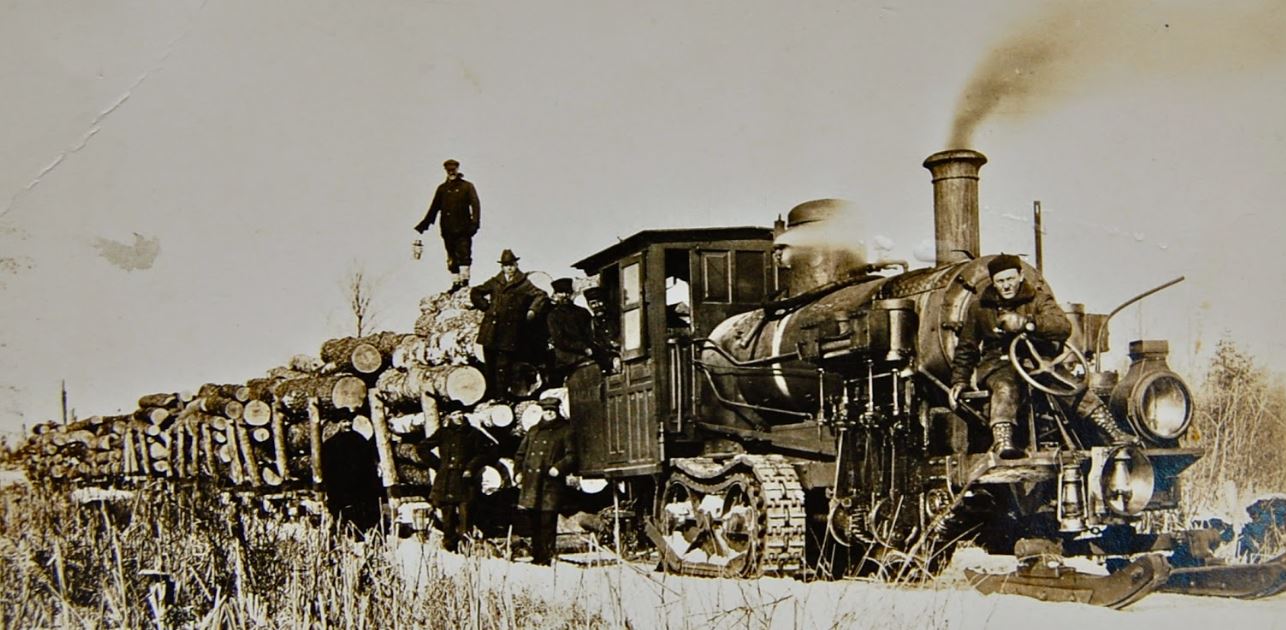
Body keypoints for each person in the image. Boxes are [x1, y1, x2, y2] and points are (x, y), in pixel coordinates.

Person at [949, 254, 1132, 459]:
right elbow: (967, 347)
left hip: (1040, 361)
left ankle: (1113, 432)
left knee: (1071, 386)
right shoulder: (980, 307)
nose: (1006, 286)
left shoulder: (1039, 299)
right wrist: (960, 380)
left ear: (1020, 276)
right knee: (1005, 387)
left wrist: (1027, 323)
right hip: (999, 364)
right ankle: (1003, 442)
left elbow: (1062, 326)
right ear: (993, 282)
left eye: (1010, 279)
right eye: (1000, 281)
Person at [469, 250, 549, 399]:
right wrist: (485, 306)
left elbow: (541, 295)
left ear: (516, 265)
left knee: (503, 366)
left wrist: (532, 310)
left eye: (511, 265)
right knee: (490, 365)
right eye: (506, 266)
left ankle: (501, 397)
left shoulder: (523, 283)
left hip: (509, 331)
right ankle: (490, 396)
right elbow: (476, 292)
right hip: (491, 329)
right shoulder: (495, 282)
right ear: (502, 267)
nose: (509, 268)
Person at [419, 404, 494, 552]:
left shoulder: (473, 433)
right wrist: (439, 466)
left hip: (465, 481)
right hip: (446, 481)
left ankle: (465, 548)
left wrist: (471, 467)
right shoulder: (443, 433)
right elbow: (422, 448)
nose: (459, 417)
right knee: (448, 517)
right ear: (449, 417)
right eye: (455, 414)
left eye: (460, 413)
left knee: (466, 515)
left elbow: (488, 451)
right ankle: (449, 548)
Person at [514, 397, 578, 565]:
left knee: (547, 522)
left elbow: (572, 456)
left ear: (557, 412)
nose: (549, 413)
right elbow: (520, 454)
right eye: (546, 410)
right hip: (531, 483)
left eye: (552, 411)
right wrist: (518, 472)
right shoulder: (533, 431)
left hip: (550, 484)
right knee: (534, 521)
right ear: (541, 412)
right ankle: (537, 556)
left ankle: (547, 557)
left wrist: (559, 467)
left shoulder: (565, 430)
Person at [414, 159, 481, 292]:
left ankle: (465, 282)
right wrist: (424, 225)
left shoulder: (467, 186)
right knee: (451, 256)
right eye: (449, 170)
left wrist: (475, 224)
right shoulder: (442, 189)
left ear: (457, 169)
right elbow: (434, 208)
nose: (451, 172)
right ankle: (456, 283)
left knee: (464, 254)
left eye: (453, 170)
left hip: (464, 229)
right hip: (447, 229)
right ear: (446, 171)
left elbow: (476, 205)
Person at [545, 278, 596, 387]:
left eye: (566, 292)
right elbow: (560, 341)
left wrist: (587, 348)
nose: (564, 295)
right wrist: (584, 348)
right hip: (569, 358)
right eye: (561, 293)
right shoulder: (554, 315)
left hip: (576, 358)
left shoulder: (582, 313)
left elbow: (590, 335)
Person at [582, 286, 619, 372]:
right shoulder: (591, 326)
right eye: (593, 303)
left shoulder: (616, 318)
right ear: (589, 306)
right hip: (608, 361)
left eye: (600, 302)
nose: (597, 306)